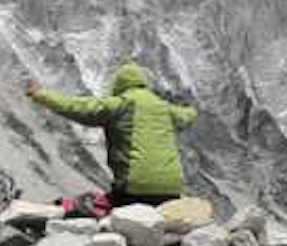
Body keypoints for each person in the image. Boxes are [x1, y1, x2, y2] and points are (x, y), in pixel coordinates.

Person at [26, 61, 197, 208]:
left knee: (96, 206)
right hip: (171, 192)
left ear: (120, 84)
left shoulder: (120, 105)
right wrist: (192, 108)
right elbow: (187, 115)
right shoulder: (165, 109)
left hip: (134, 190)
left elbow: (76, 107)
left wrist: (41, 94)